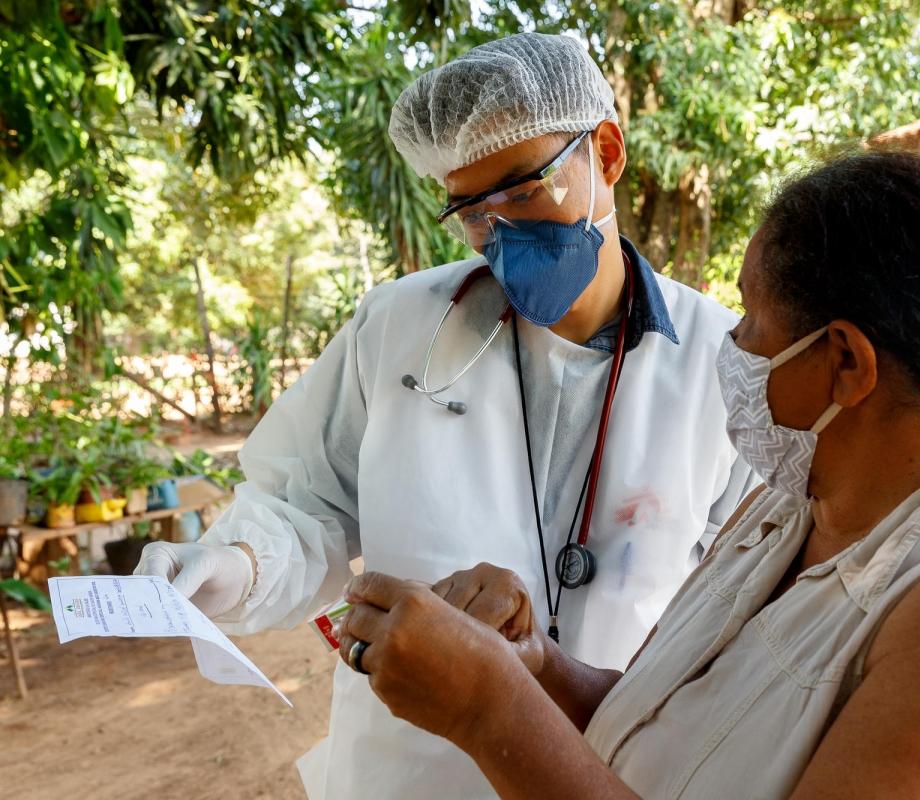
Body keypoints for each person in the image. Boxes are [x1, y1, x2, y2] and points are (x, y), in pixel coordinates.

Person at [334, 150, 920, 799]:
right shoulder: (796, 508)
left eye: (751, 319)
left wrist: (490, 709)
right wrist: (535, 664)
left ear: (845, 362)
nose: (734, 347)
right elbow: (672, 733)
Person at [134, 32, 753, 799]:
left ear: (608, 151)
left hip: (608, 769)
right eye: (473, 212)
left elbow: (747, 610)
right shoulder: (398, 327)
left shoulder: (727, 365)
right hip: (411, 773)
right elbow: (303, 506)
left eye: (525, 192)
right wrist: (231, 565)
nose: (504, 233)